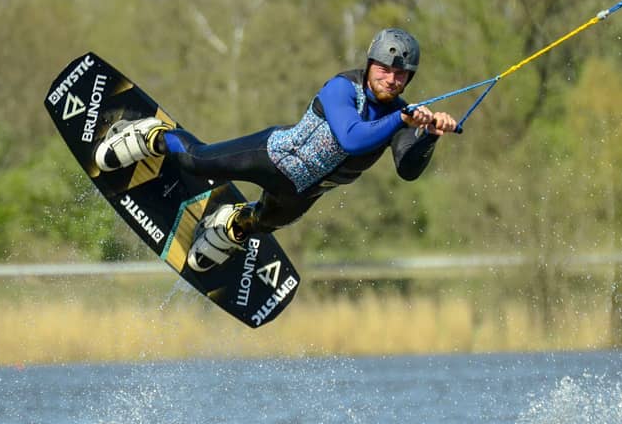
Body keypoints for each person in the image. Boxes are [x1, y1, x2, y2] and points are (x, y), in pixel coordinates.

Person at [94, 27, 457, 271]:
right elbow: (350, 137)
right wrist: (404, 121)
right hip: (274, 156)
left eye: (401, 74)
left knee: (265, 222)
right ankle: (153, 136)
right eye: (385, 70)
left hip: (303, 191)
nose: (392, 80)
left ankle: (230, 223)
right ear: (370, 65)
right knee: (196, 161)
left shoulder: (401, 115)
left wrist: (430, 135)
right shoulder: (343, 87)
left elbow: (408, 169)